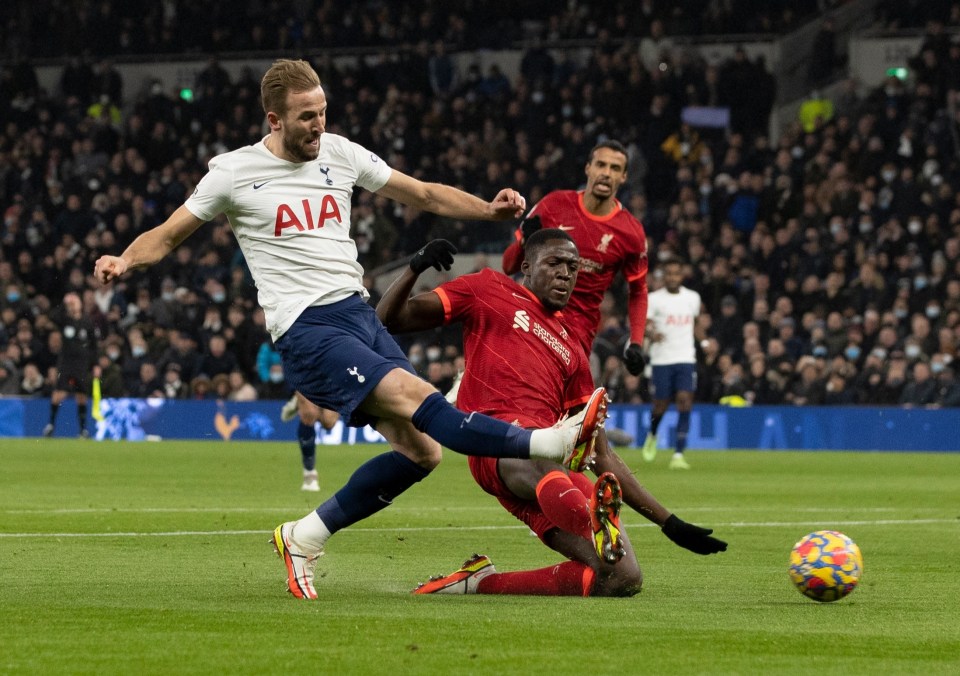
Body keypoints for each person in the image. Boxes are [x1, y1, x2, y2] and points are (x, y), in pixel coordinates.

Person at [92, 59, 605, 600]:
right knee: (417, 395)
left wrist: (488, 211)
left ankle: (303, 536)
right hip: (308, 328)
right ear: (275, 120)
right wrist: (125, 260)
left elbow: (424, 194)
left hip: (358, 316)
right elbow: (169, 235)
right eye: (307, 117)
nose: (319, 125)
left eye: (323, 113)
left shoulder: (340, 153)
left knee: (423, 453)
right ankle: (552, 441)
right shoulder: (233, 173)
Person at [378, 230, 726, 596]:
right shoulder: (487, 289)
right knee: (544, 451)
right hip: (495, 446)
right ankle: (590, 515)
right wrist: (414, 267)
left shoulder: (572, 348)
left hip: (549, 474)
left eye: (573, 267)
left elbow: (600, 453)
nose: (566, 274)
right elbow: (389, 318)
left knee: (622, 577)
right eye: (555, 263)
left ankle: (481, 582)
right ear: (526, 266)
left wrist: (669, 522)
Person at [502, 140, 649, 378]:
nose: (606, 173)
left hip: (577, 332)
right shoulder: (554, 204)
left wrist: (636, 342)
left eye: (614, 168)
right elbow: (508, 266)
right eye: (601, 165)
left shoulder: (631, 232)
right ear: (588, 168)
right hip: (534, 317)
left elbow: (638, 291)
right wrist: (523, 242)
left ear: (623, 177)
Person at [640, 258, 702, 469]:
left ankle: (678, 453)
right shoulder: (655, 299)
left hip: (686, 357)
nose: (673, 277)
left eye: (677, 273)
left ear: (681, 276)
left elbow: (696, 324)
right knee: (661, 404)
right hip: (662, 359)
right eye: (669, 274)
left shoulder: (692, 298)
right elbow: (644, 325)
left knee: (685, 400)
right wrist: (650, 333)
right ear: (664, 276)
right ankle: (653, 433)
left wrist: (704, 342)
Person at [42, 292, 100, 438]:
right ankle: (50, 425)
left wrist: (96, 364)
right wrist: (64, 304)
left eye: (75, 302)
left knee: (81, 395)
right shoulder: (65, 320)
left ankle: (82, 430)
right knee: (58, 393)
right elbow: (52, 316)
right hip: (66, 362)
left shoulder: (87, 322)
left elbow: (94, 345)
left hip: (82, 364)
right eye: (71, 303)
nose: (73, 305)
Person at [280, 391, 340, 491]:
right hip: (307, 376)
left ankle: (299, 401)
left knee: (329, 422)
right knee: (309, 414)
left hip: (332, 378)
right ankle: (309, 473)